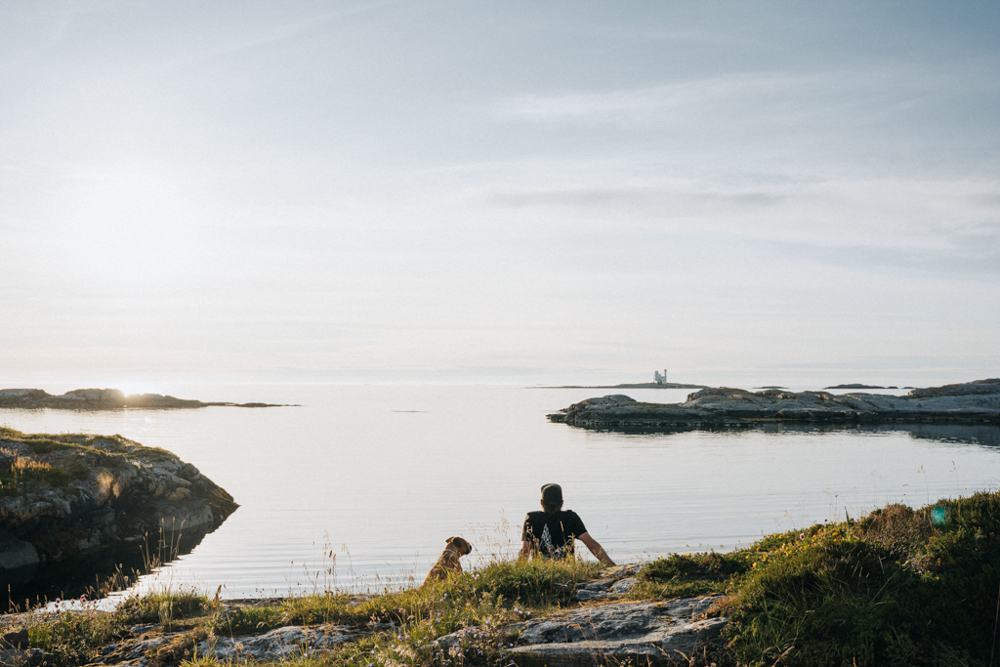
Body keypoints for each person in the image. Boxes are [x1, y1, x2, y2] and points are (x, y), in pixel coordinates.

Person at [519, 483, 615, 565]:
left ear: (541, 502)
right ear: (562, 503)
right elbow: (592, 544)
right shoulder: (571, 517)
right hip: (568, 573)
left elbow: (525, 550)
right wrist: (613, 567)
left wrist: (518, 574)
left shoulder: (532, 518)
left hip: (541, 575)